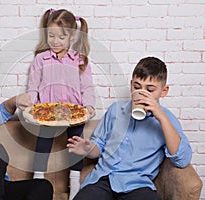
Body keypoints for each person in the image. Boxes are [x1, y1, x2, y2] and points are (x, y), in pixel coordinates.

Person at [67, 57, 192, 200]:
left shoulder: (167, 119)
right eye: (137, 87)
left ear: (164, 91)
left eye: (150, 90)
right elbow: (99, 146)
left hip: (137, 185)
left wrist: (161, 118)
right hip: (103, 180)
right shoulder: (115, 110)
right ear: (131, 84)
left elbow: (182, 160)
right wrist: (88, 149)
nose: (142, 93)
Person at [26, 8, 95, 200]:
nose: (55, 41)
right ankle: (37, 179)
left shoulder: (80, 61)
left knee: (76, 144)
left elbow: (87, 87)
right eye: (51, 36)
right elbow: (33, 86)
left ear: (72, 36)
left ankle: (74, 184)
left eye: (61, 37)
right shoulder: (40, 59)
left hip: (74, 113)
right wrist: (30, 106)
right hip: (47, 112)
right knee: (42, 143)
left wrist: (89, 106)